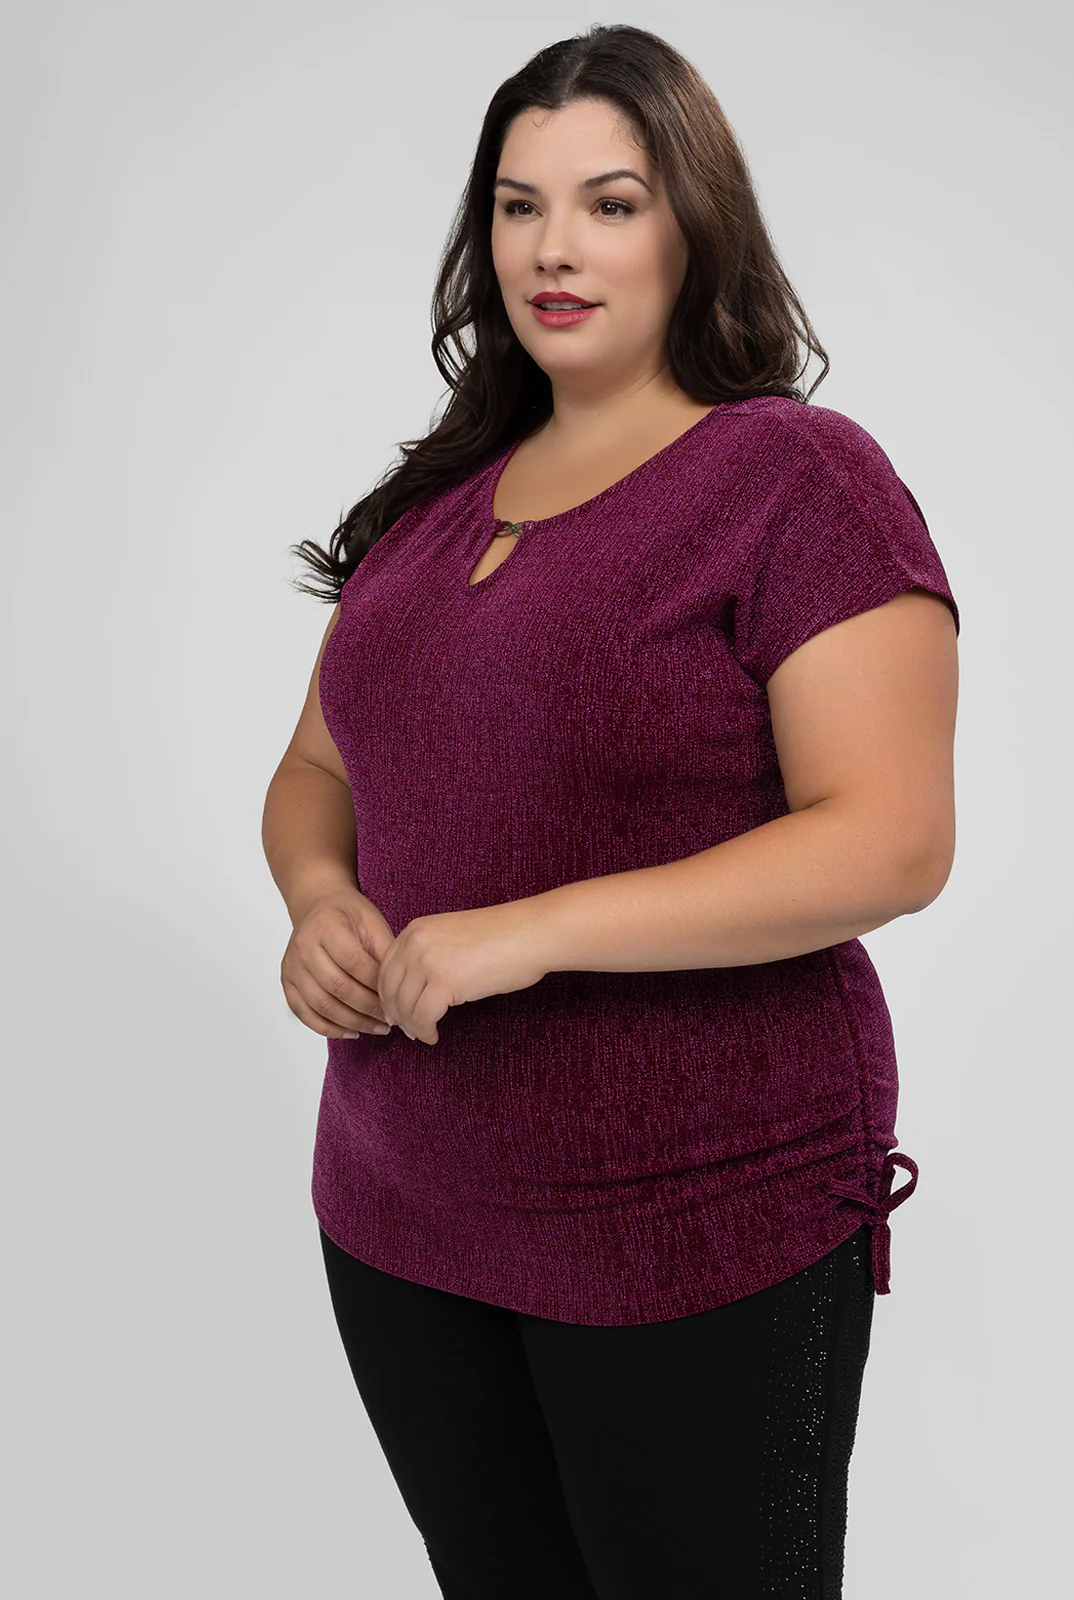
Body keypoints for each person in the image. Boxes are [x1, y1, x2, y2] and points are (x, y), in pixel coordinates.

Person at [261, 23, 960, 1600]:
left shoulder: (795, 479)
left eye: (610, 202)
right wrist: (317, 899)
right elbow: (316, 770)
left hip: (696, 1211)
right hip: (403, 1207)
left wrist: (538, 932)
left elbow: (891, 837)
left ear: (693, 224)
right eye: (518, 206)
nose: (553, 248)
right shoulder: (436, 508)